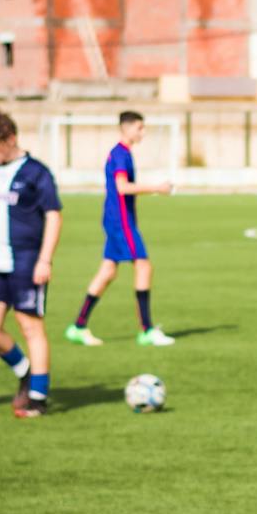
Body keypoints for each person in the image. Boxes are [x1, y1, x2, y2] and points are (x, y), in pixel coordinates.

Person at [0, 110, 62, 419]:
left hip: (26, 261)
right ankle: (25, 370)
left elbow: (53, 215)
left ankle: (38, 397)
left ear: (11, 139)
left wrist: (44, 259)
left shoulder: (37, 173)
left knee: (30, 326)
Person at [65, 110, 177, 347]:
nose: (143, 132)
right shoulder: (120, 154)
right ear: (126, 128)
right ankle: (146, 330)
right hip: (120, 220)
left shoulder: (122, 153)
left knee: (108, 271)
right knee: (144, 266)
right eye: (140, 128)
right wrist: (157, 187)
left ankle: (78, 326)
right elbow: (122, 187)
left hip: (118, 218)